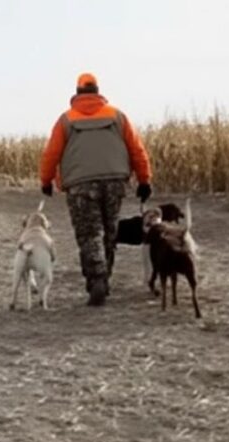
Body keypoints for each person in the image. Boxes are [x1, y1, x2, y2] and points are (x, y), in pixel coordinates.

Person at [39, 73, 152, 305]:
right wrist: (144, 180)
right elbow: (136, 149)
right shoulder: (117, 116)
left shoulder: (66, 120)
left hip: (80, 185)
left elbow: (51, 154)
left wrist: (46, 180)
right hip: (114, 181)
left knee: (89, 234)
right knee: (109, 232)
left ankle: (96, 279)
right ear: (98, 91)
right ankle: (105, 277)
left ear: (77, 93)